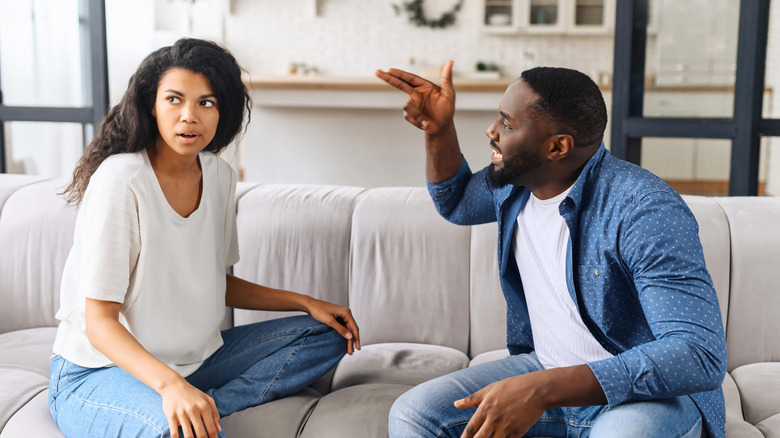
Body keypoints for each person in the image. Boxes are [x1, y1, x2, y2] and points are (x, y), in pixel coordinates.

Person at [375, 61, 726, 438]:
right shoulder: (515, 183)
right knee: (416, 414)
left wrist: (543, 390)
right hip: (546, 368)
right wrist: (439, 130)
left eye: (508, 125)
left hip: (644, 398)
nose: (492, 132)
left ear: (557, 146)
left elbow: (698, 354)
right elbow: (457, 201)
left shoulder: (644, 209)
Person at [49, 38, 360, 438]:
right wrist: (170, 386)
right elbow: (100, 323)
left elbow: (213, 281)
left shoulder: (219, 176)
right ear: (152, 106)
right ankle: (189, 409)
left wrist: (306, 302)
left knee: (328, 334)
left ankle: (202, 403)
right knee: (183, 434)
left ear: (222, 111)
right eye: (174, 100)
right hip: (97, 373)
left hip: (197, 364)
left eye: (206, 103)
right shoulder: (121, 180)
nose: (189, 116)